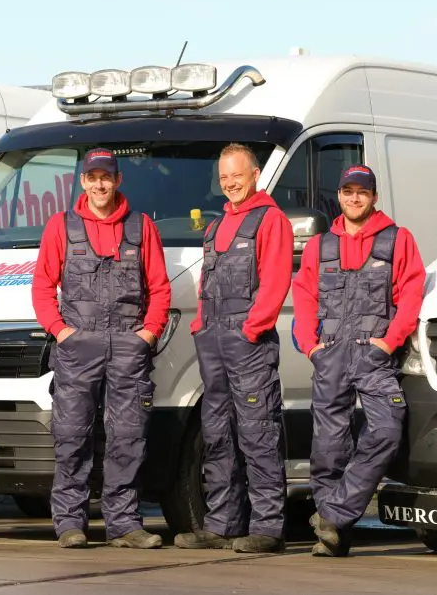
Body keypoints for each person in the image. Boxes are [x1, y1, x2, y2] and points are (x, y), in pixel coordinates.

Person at [32, 147, 171, 549]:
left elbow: (159, 288)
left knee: (128, 436)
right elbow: (42, 287)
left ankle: (124, 524)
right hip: (78, 345)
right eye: (92, 177)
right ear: (83, 181)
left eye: (106, 177)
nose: (99, 184)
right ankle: (70, 523)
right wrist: (60, 331)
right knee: (72, 434)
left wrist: (148, 333)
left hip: (129, 344)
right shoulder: (61, 226)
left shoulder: (142, 227)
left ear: (118, 181)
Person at [292, 164, 424, 557]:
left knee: (386, 430)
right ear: (339, 195)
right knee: (328, 450)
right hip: (329, 352)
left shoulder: (398, 240)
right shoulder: (320, 245)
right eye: (348, 191)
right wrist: (309, 345)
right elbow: (303, 295)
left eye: (361, 192)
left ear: (374, 196)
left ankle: (331, 513)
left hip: (374, 354)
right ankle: (333, 538)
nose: (354, 198)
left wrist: (388, 342)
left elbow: (411, 293)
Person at [173, 143, 294, 553]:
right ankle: (222, 523)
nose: (230, 183)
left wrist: (251, 329)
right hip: (212, 342)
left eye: (236, 175)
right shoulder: (214, 226)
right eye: (224, 177)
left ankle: (267, 527)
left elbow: (276, 282)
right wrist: (199, 325)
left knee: (258, 432)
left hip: (249, 342)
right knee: (216, 432)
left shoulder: (271, 220)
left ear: (255, 174)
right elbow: (207, 286)